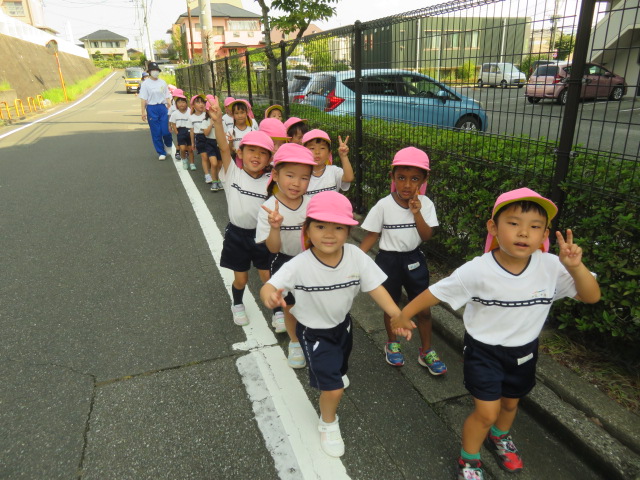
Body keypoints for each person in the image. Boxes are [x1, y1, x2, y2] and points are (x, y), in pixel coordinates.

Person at [391, 187, 601, 480]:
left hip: (524, 352)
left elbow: (591, 296)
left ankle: (499, 437)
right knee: (486, 412)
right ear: (493, 227)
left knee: (511, 403)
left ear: (545, 235)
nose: (524, 232)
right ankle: (469, 459)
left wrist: (576, 267)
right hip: (484, 352)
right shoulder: (478, 270)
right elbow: (435, 292)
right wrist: (403, 314)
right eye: (513, 223)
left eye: (535, 227)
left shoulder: (551, 267)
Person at [260, 191, 402, 458]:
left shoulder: (355, 256)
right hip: (313, 332)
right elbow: (270, 285)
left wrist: (397, 314)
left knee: (341, 366)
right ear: (307, 229)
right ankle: (328, 423)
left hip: (343, 326)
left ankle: (334, 375)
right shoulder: (299, 264)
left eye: (338, 227)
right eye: (320, 226)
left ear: (348, 231)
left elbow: (376, 287)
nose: (329, 234)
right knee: (334, 388)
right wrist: (269, 294)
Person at [360, 147, 446, 374]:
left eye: (415, 179)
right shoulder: (383, 205)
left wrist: (416, 212)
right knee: (391, 306)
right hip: (388, 260)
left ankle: (426, 351)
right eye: (401, 178)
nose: (407, 184)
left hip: (414, 259)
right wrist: (354, 260)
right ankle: (392, 343)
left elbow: (426, 236)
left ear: (424, 180)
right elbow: (371, 235)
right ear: (393, 177)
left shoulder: (426, 204)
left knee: (423, 309)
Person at [209, 101, 274, 325]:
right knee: (241, 278)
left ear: (269, 159)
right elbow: (223, 148)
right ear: (240, 152)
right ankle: (237, 304)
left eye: (263, 153)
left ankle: (278, 311)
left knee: (267, 276)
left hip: (263, 235)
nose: (256, 156)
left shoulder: (271, 180)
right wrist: (218, 122)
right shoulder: (232, 173)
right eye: (251, 150)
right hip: (237, 235)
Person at [256, 143, 315, 367]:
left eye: (304, 178)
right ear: (276, 175)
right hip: (283, 261)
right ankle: (295, 342)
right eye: (290, 175)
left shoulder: (312, 204)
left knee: (309, 302)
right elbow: (273, 249)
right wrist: (275, 227)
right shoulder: (269, 208)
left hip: (310, 261)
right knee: (289, 306)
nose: (296, 183)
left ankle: (313, 337)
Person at [138, 62, 175, 161]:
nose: (155, 72)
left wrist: (170, 106)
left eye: (156, 70)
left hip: (162, 107)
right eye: (153, 70)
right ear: (149, 72)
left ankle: (168, 144)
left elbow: (167, 96)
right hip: (151, 108)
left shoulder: (162, 82)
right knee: (156, 132)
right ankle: (161, 152)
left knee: (166, 131)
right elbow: (143, 98)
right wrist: (143, 112)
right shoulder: (145, 84)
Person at [302, 129, 354, 197]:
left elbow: (349, 178)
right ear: (303, 152)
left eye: (322, 148)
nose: (317, 152)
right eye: (312, 148)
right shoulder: (301, 174)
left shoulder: (333, 171)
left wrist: (343, 156)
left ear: (329, 153)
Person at [168, 91, 195, 171]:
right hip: (180, 131)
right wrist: (176, 132)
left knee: (190, 149)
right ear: (176, 105)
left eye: (183, 102)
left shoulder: (189, 112)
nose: (181, 104)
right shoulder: (175, 113)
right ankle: (184, 160)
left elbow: (192, 122)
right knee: (182, 148)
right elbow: (173, 123)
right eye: (179, 102)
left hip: (189, 131)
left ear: (186, 103)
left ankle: (192, 163)